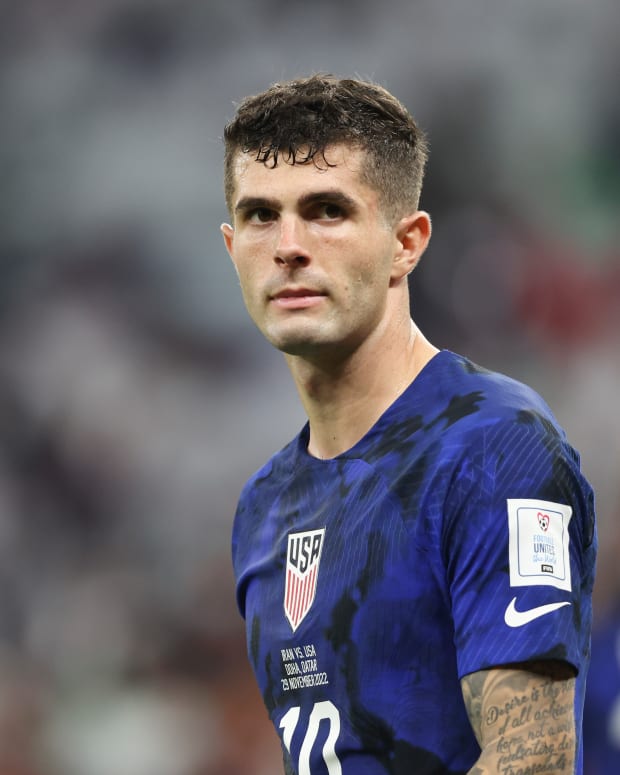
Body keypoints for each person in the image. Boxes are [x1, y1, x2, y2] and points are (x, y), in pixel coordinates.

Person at [220, 73, 597, 774]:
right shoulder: (264, 505)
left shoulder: (492, 446)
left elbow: (533, 756)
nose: (288, 246)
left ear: (408, 243)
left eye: (327, 209)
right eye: (260, 215)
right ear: (230, 245)